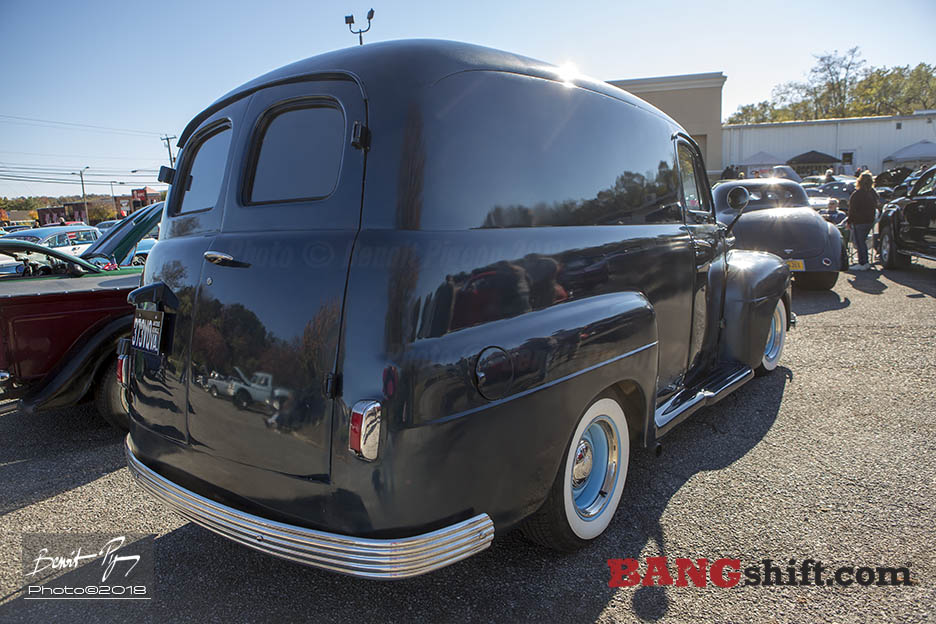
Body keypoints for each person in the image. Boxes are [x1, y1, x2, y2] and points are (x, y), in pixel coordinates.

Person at [846, 171, 878, 271]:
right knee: (862, 241)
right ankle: (865, 262)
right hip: (870, 220)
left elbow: (852, 210)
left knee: (860, 242)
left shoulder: (857, 194)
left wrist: (849, 221)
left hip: (859, 221)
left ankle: (863, 262)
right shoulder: (873, 193)